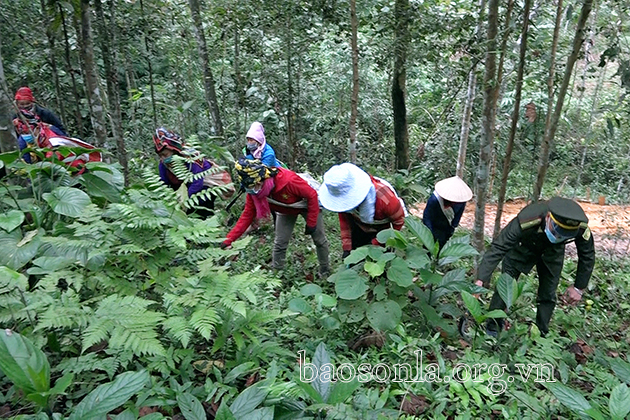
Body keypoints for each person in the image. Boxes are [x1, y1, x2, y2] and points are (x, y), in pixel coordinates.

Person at [475, 197, 595, 337]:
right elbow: (499, 247)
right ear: (549, 217)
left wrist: (579, 288)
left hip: (552, 253)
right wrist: (480, 279)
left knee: (548, 292)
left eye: (564, 236)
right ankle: (493, 327)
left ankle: (541, 333)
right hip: (522, 248)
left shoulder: (580, 227)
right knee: (506, 285)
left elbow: (587, 255)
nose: (559, 236)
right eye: (557, 231)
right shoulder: (528, 219)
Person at [221, 158, 330, 277]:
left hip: (306, 205)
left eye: (254, 186)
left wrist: (311, 223)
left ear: (260, 181)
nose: (252, 190)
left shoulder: (289, 181)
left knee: (319, 240)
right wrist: (228, 240)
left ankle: (324, 271)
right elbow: (247, 216)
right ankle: (276, 276)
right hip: (285, 209)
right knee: (280, 243)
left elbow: (311, 195)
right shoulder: (254, 193)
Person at [318, 163, 407, 258]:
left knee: (381, 261)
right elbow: (345, 221)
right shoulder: (343, 206)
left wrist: (376, 244)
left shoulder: (385, 199)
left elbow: (399, 221)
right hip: (359, 227)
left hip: (384, 231)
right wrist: (347, 247)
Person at [154, 127, 216, 217]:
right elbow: (164, 184)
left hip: (202, 191)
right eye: (160, 156)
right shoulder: (163, 165)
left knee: (203, 212)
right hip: (181, 194)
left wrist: (184, 200)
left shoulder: (191, 160)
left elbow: (197, 182)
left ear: (174, 151)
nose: (163, 158)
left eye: (165, 155)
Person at [13, 109, 100, 169]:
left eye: (27, 133)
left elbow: (51, 164)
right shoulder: (38, 136)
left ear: (37, 128)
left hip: (74, 168)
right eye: (23, 134)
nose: (25, 136)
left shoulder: (52, 141)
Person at [422, 176, 473, 248]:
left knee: (442, 245)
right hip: (433, 224)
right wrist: (428, 233)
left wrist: (451, 230)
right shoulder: (434, 199)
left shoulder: (461, 201)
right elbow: (427, 217)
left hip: (445, 227)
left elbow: (457, 217)